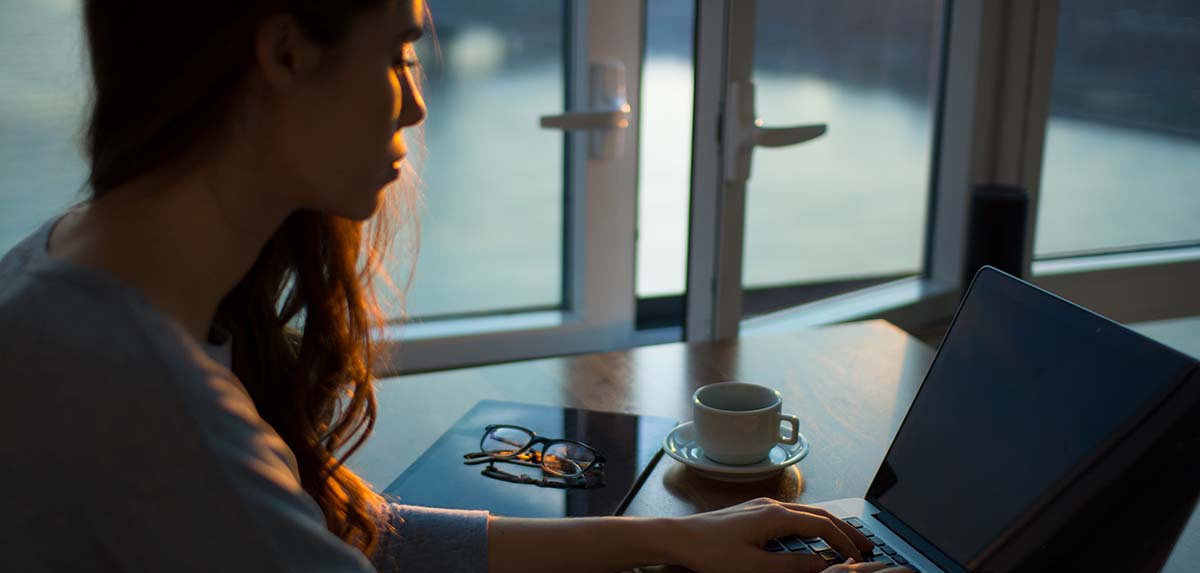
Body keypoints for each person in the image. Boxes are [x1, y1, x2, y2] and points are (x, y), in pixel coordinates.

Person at [0, 1, 912, 572]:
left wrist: (666, 538)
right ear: (284, 52)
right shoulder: (154, 409)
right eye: (400, 49)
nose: (416, 99)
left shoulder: (65, 275)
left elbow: (350, 534)